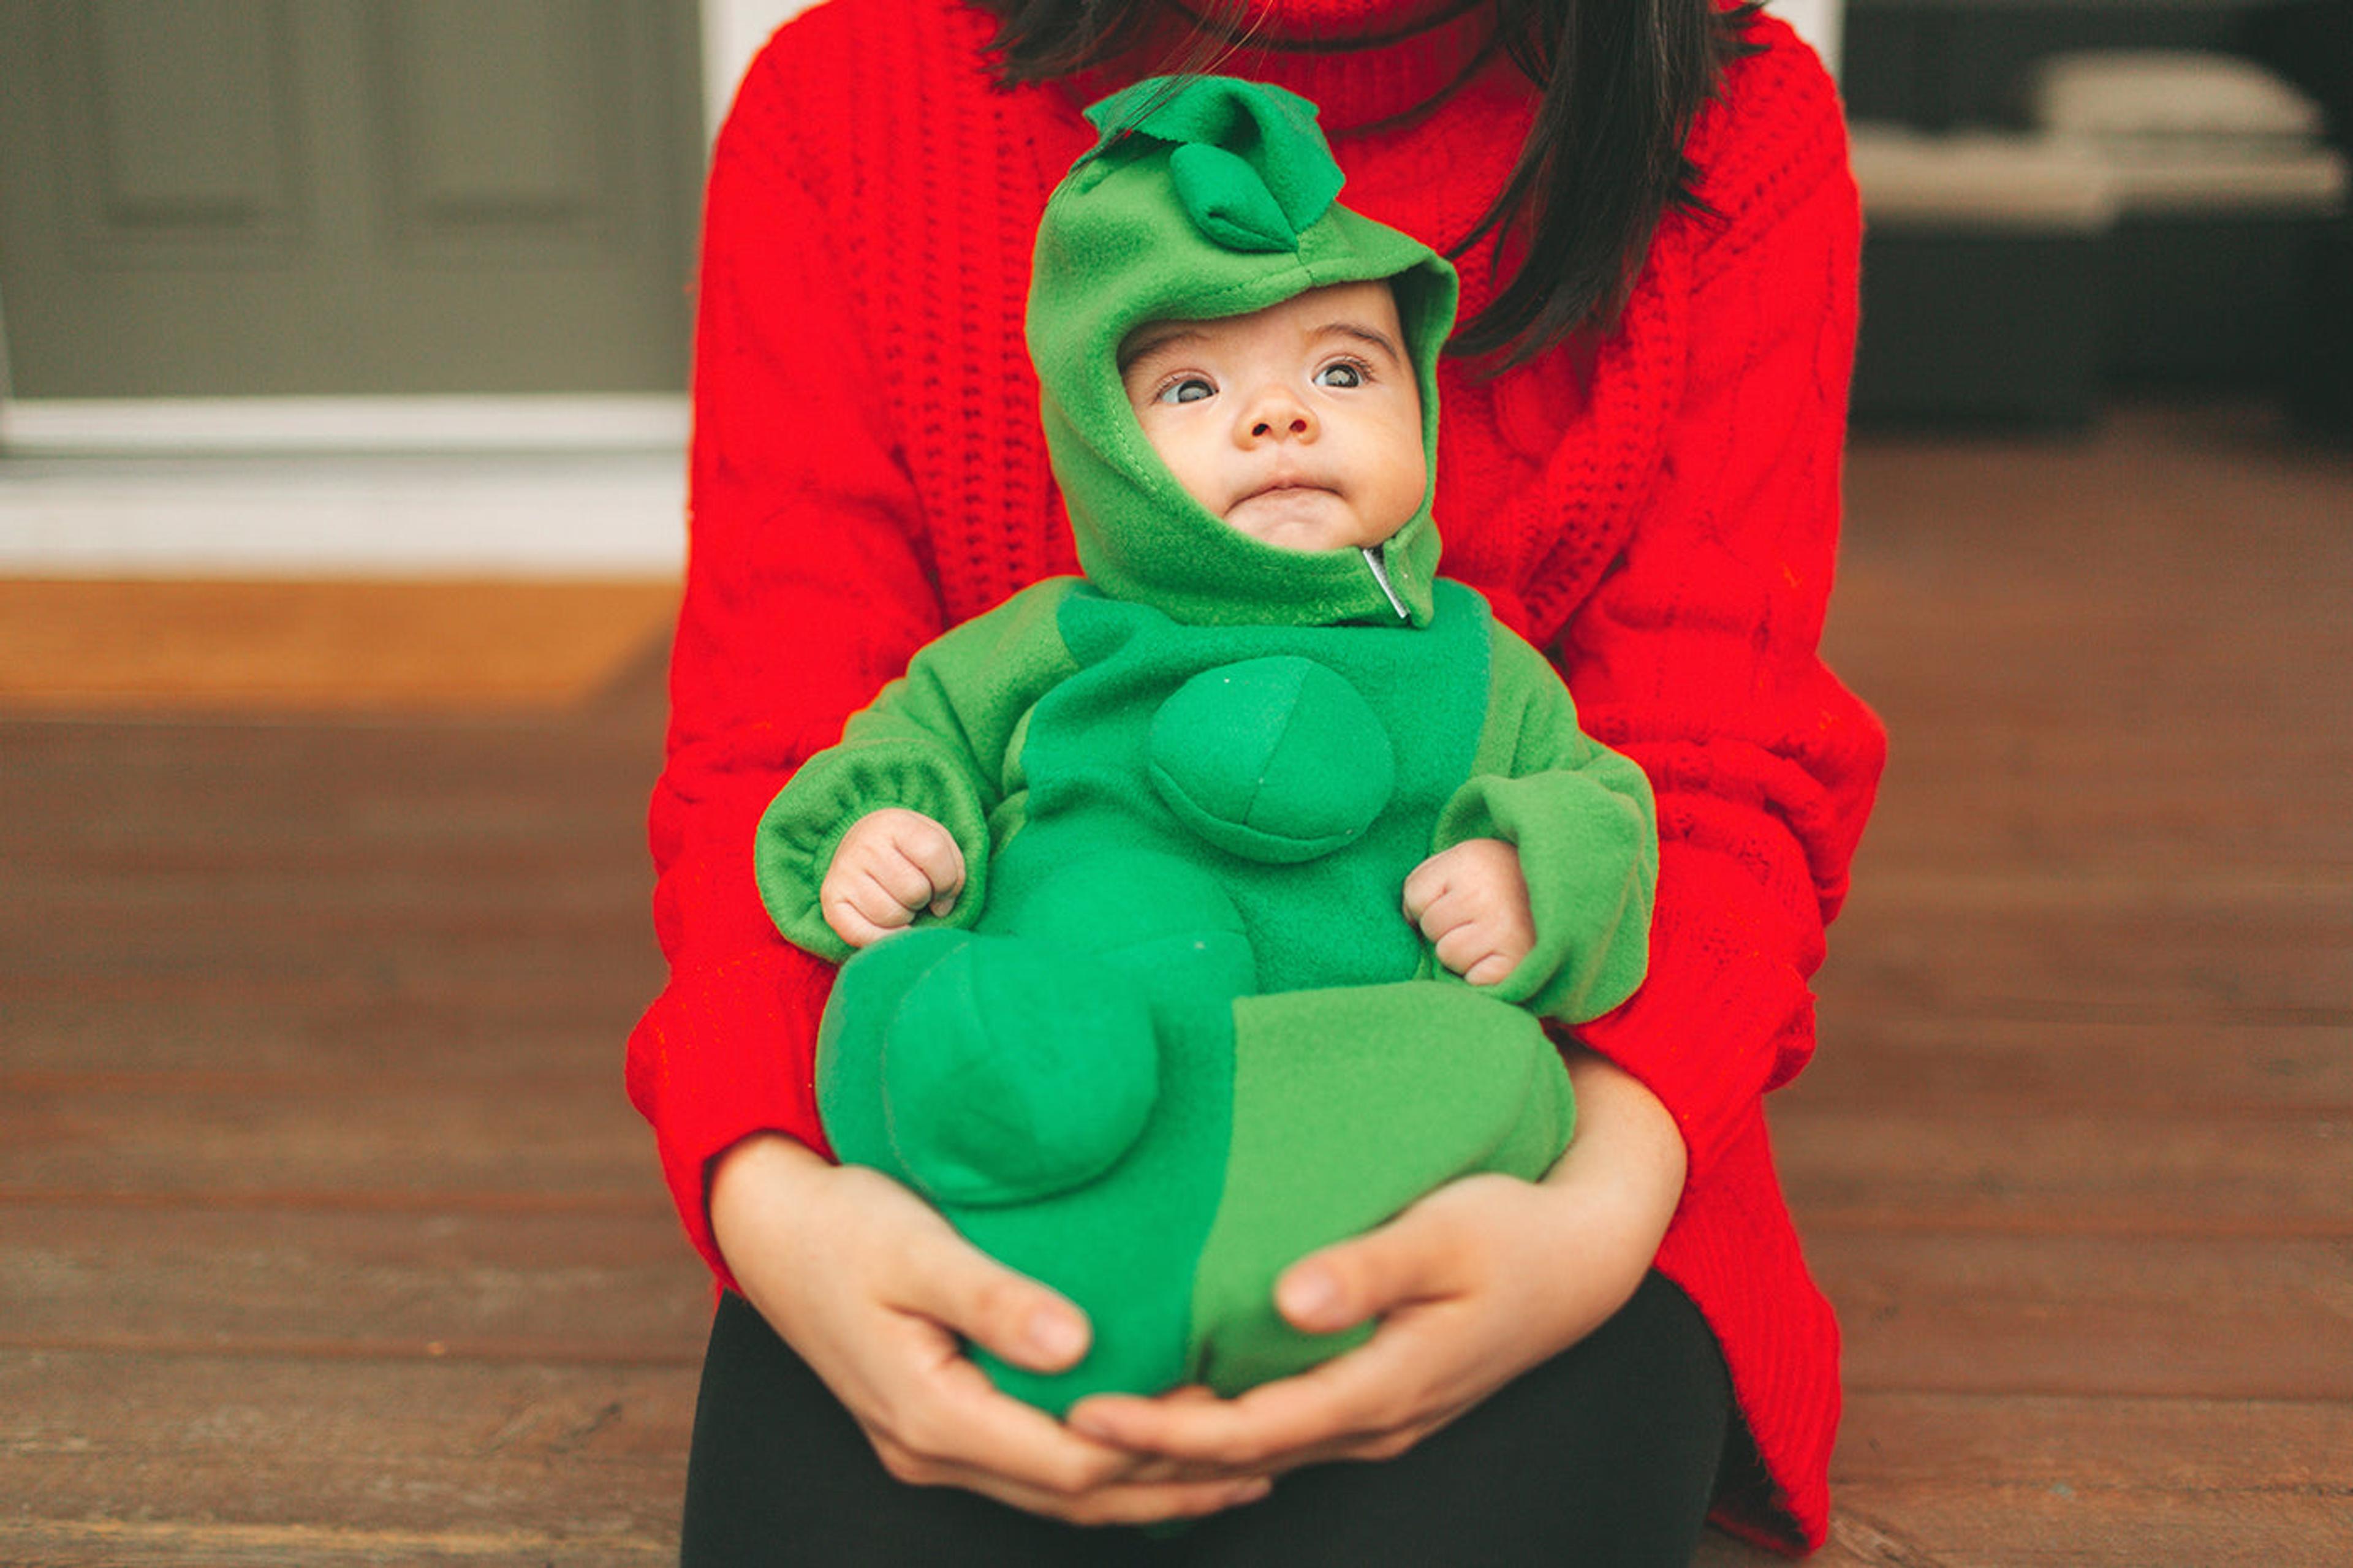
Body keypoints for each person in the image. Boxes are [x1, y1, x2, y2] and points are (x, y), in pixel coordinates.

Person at [627, 0, 1886, 1560]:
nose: (1282, 424)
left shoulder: (1728, 112)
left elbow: (1707, 775)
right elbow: (788, 750)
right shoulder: (850, 98)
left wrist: (1591, 1214)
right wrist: (778, 1201)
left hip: (1517, 1121)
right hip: (993, 1117)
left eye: (1344, 371)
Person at [750, 73, 1657, 1418]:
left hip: (1344, 1053)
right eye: (1189, 384)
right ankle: (1065, 1235)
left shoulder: (1475, 663)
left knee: (1508, 1075)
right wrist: (886, 835)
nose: (1280, 417)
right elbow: (904, 742)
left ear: (1422, 405)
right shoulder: (1051, 642)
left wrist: (1538, 874)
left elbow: (1607, 806)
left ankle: (1279, 1281)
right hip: (1077, 1028)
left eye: (1342, 369)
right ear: (1101, 443)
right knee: (926, 1008)